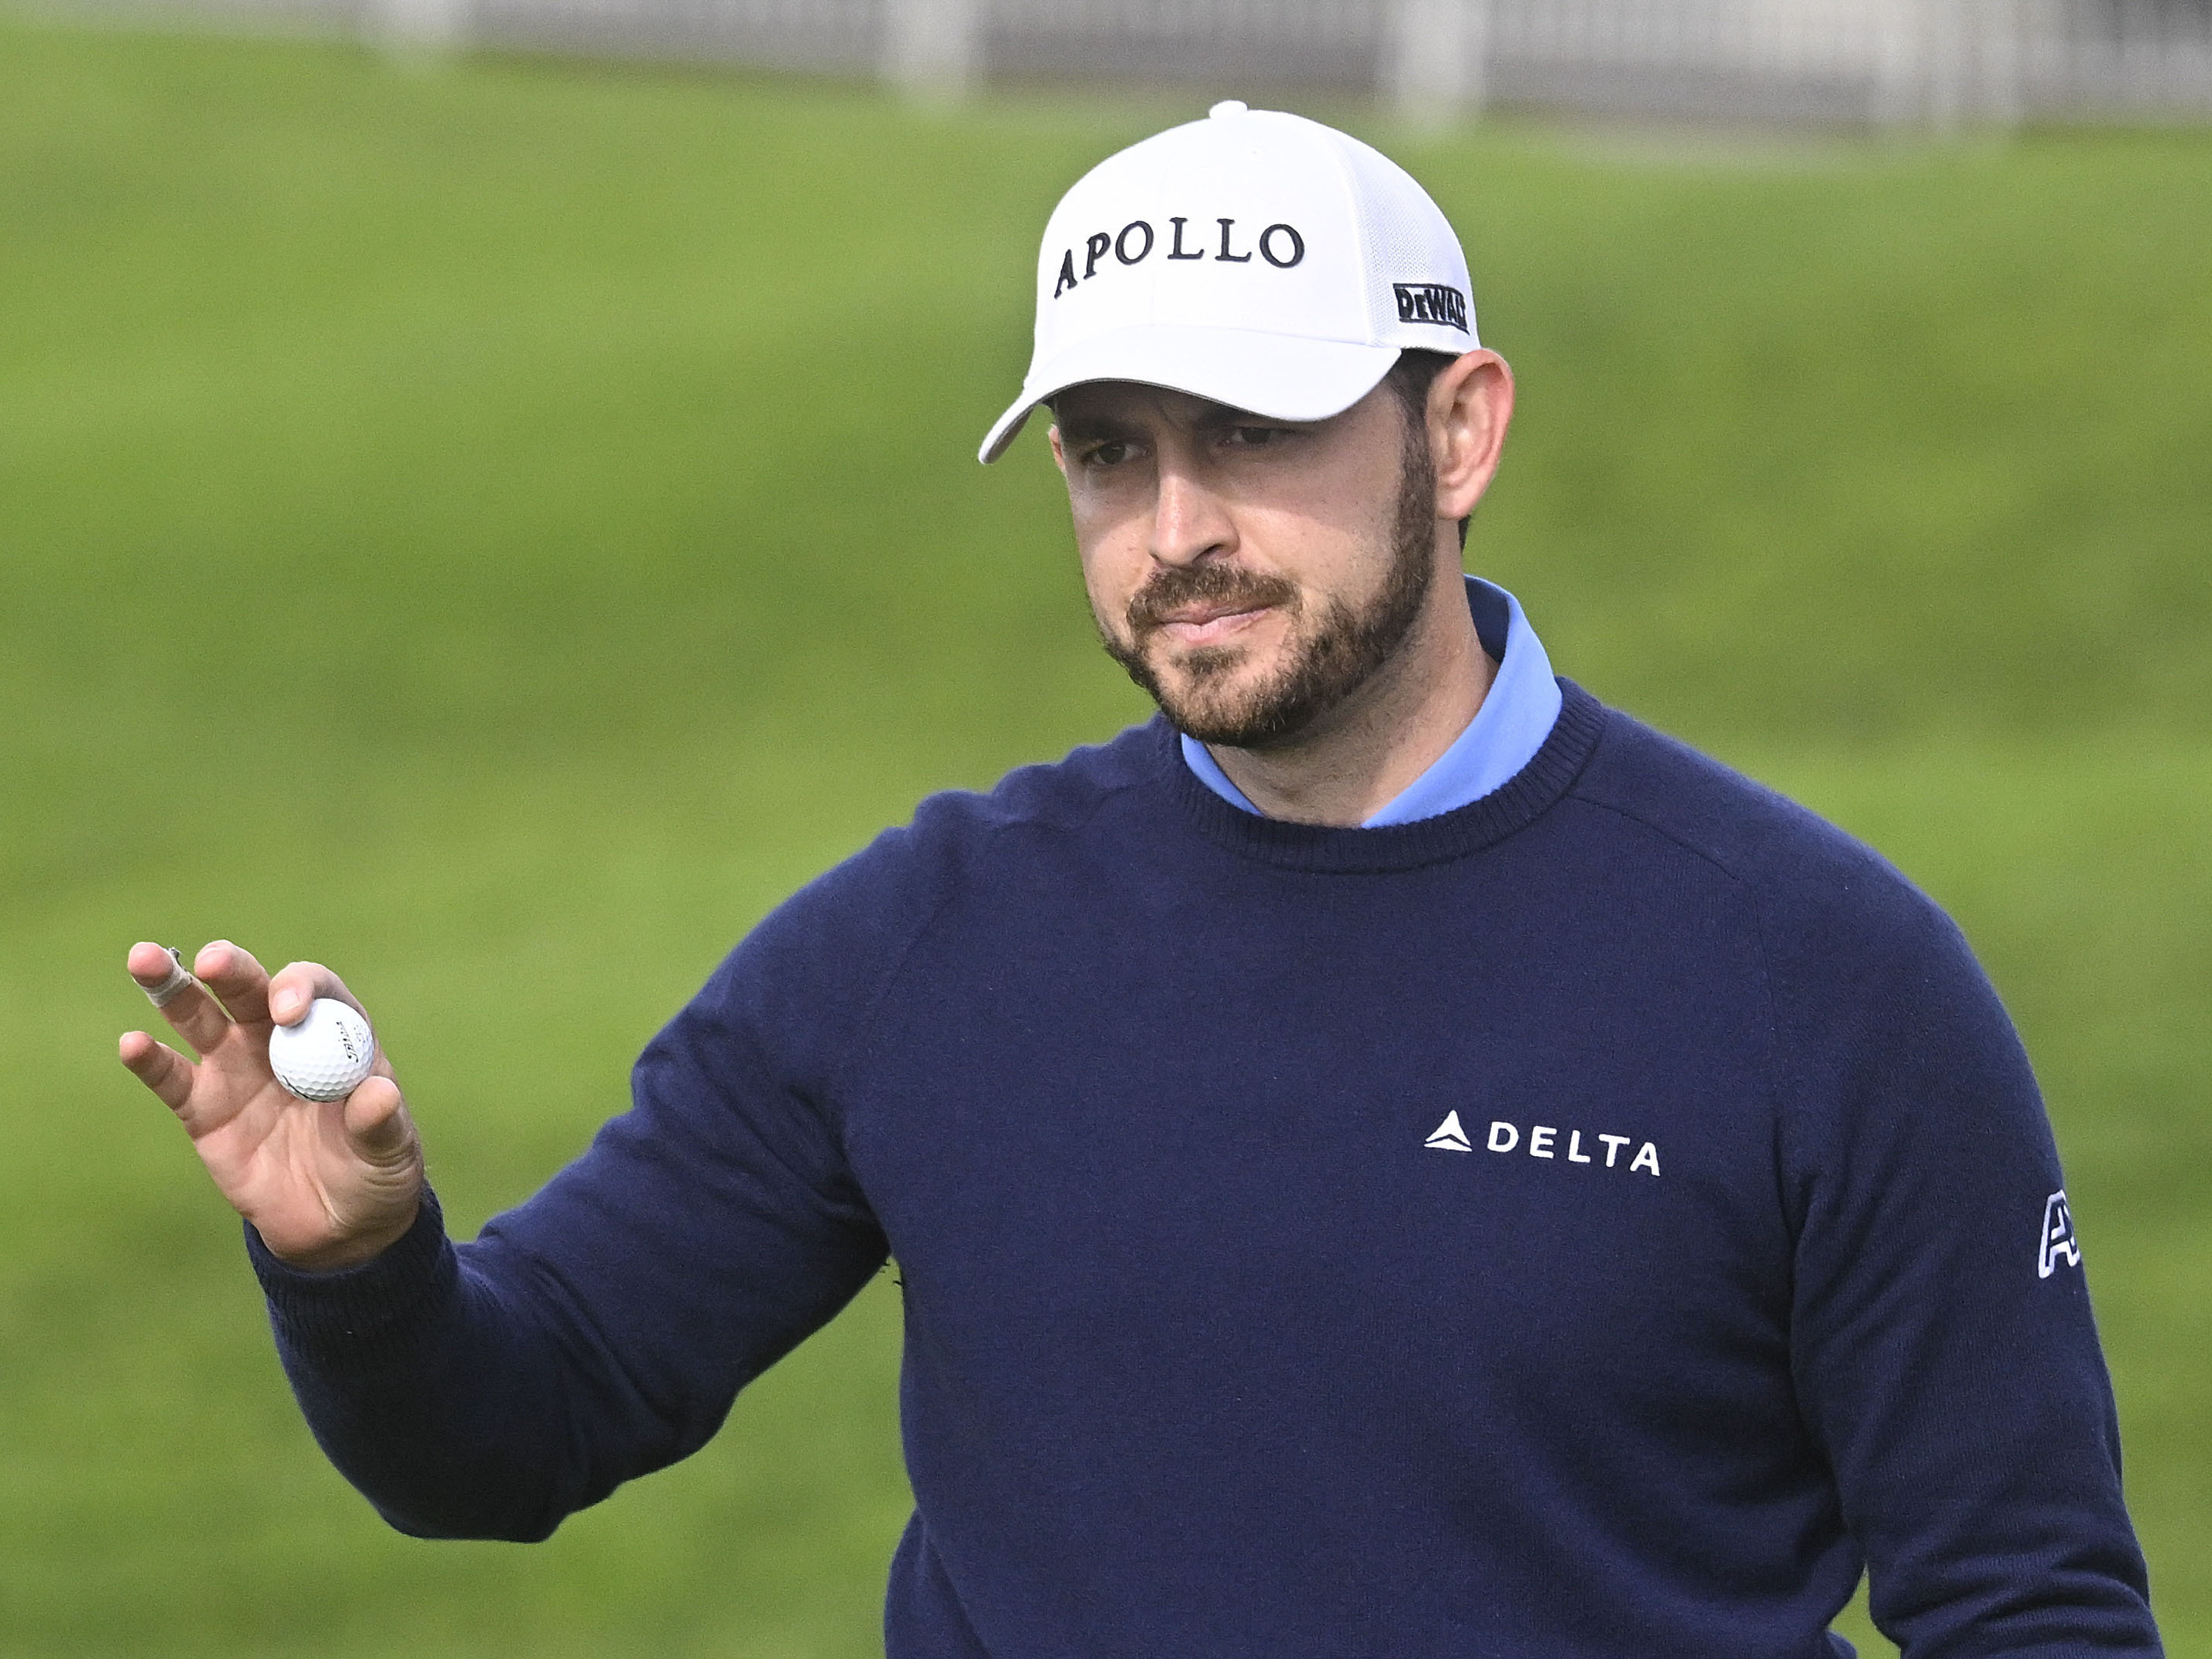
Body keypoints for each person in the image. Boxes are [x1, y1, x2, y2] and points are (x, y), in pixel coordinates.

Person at [119, 102, 2160, 1657]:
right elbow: (514, 1431)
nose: (1175, 524)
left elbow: (2034, 1611)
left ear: (1458, 430)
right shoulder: (925, 942)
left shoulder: (1822, 978)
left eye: (1253, 428)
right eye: (1108, 449)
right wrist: (355, 1264)